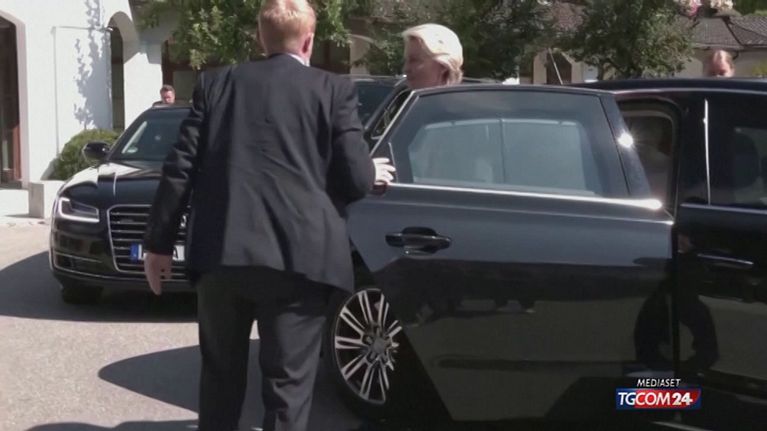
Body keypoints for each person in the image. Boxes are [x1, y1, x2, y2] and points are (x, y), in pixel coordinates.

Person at [141, 0, 394, 430]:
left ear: (260, 37)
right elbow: (354, 180)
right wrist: (371, 172)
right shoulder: (333, 89)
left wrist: (158, 244)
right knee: (288, 389)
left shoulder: (215, 84)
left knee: (220, 380)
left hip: (223, 253)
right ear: (309, 41)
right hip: (302, 260)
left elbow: (180, 167)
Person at [401, 23, 464, 89]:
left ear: (443, 65)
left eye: (414, 60)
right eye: (406, 61)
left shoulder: (465, 95)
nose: (405, 69)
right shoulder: (402, 94)